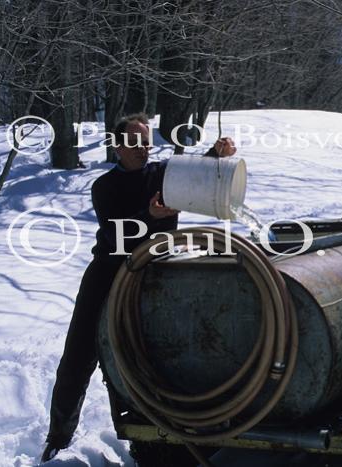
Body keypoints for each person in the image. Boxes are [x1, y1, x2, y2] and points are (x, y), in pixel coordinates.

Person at [41, 113, 237, 462]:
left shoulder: (163, 173)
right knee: (78, 357)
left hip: (157, 277)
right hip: (108, 272)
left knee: (143, 357)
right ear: (117, 146)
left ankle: (151, 432)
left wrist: (217, 152)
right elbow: (119, 234)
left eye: (146, 142)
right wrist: (151, 218)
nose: (142, 149)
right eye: (134, 142)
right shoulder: (104, 186)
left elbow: (198, 172)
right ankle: (57, 438)